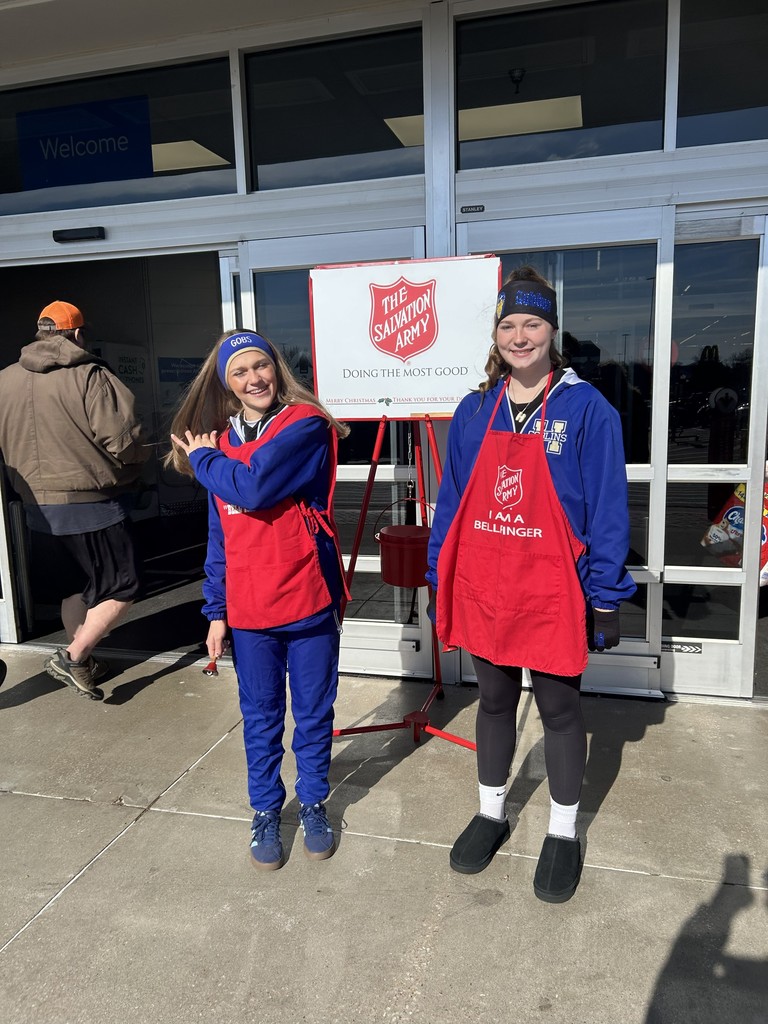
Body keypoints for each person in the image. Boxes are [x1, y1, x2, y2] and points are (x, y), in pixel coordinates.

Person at [426, 266, 636, 903]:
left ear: (552, 330)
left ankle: (564, 832)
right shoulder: (474, 409)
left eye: (533, 324)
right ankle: (491, 813)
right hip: (489, 584)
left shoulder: (584, 409)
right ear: (496, 335)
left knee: (560, 710)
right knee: (493, 701)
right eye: (509, 325)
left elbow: (606, 508)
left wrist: (605, 595)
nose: (521, 336)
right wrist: (441, 572)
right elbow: (453, 501)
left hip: (554, 590)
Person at [167, 330, 350, 870]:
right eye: (240, 372)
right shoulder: (219, 444)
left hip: (308, 597)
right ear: (228, 384)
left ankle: (314, 802)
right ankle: (267, 809)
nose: (254, 379)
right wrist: (216, 611)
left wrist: (202, 461)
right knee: (261, 716)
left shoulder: (305, 425)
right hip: (250, 612)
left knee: (313, 714)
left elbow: (254, 486)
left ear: (277, 368)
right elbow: (219, 535)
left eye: (260, 366)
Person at [0, 300, 149, 700]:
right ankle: (73, 654)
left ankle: (82, 661)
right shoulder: (89, 375)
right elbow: (123, 440)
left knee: (76, 588)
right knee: (124, 586)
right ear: (79, 334)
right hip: (92, 505)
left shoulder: (5, 379)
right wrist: (143, 462)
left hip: (36, 511)